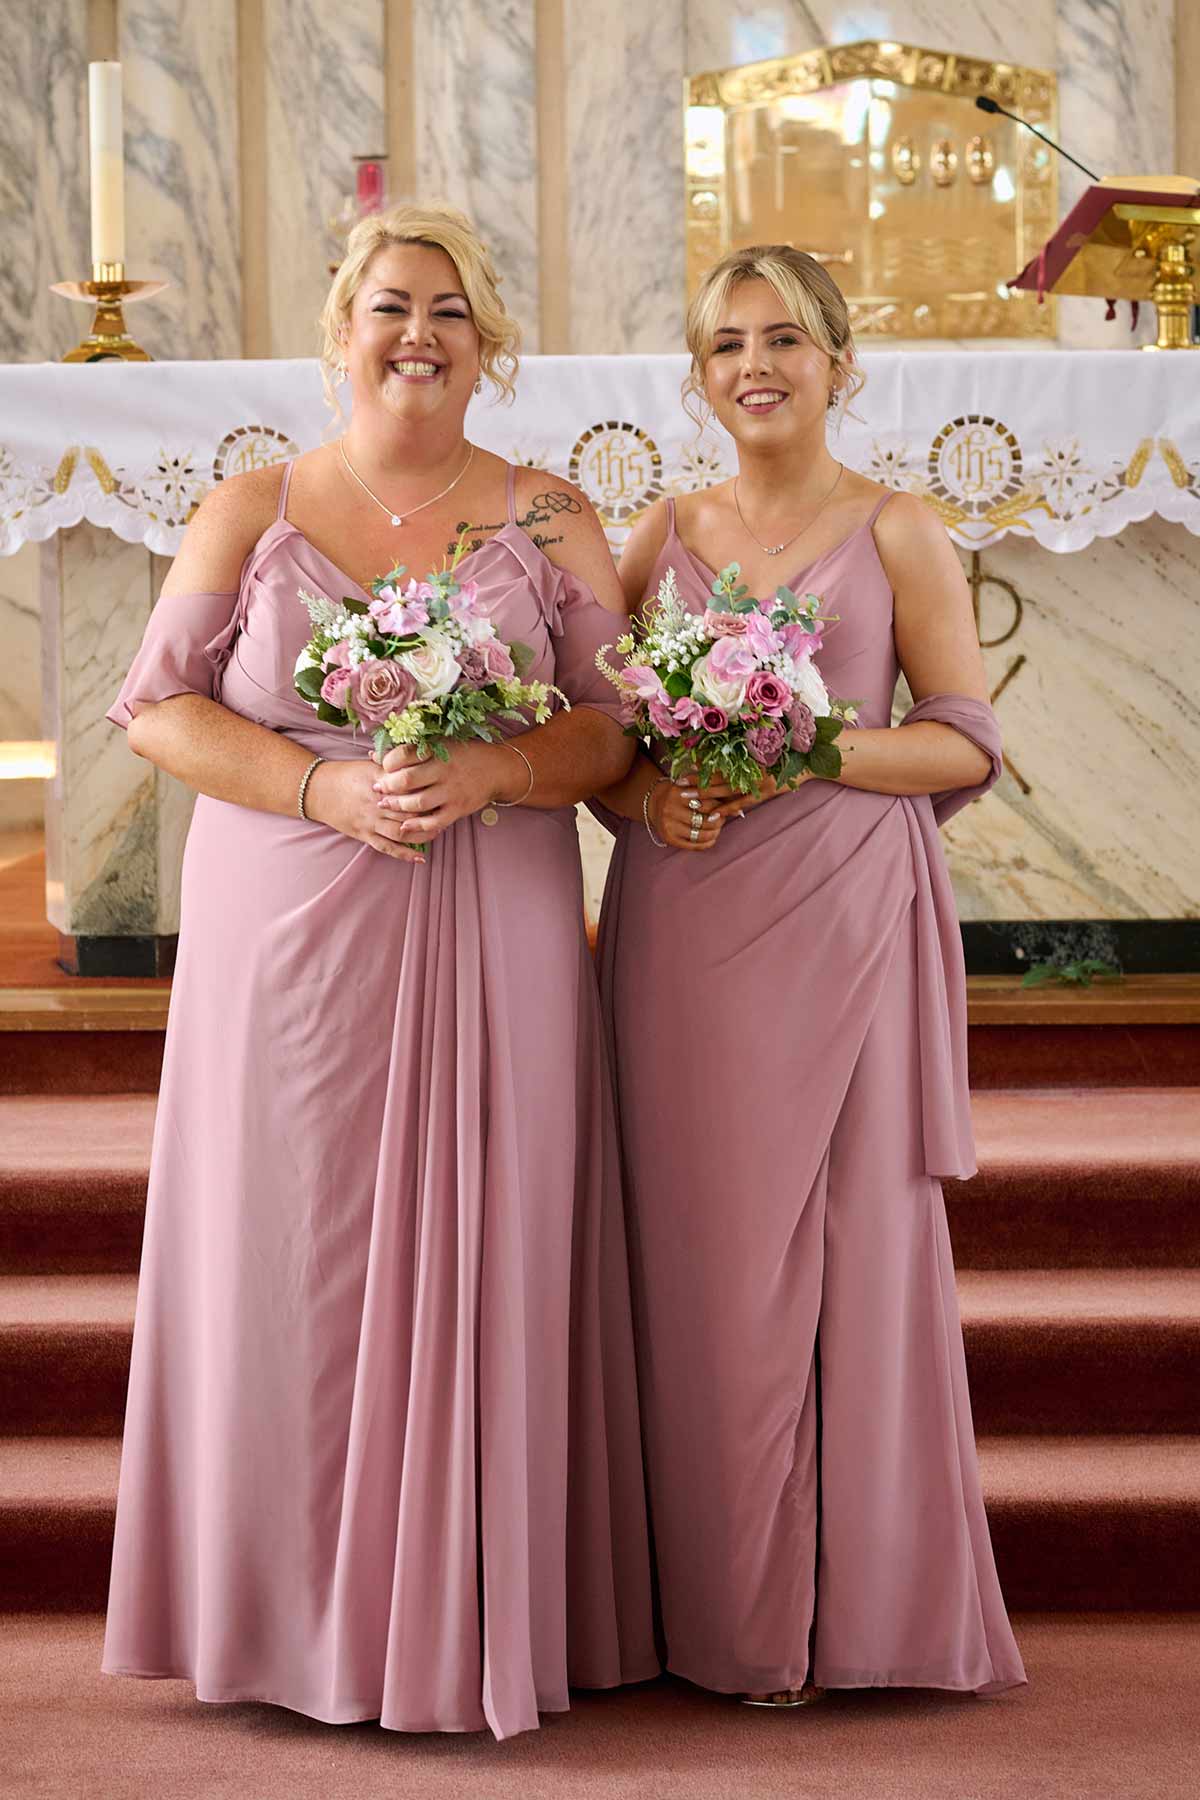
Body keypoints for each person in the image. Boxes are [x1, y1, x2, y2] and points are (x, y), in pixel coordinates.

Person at [101, 203, 656, 1740]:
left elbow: (615, 727)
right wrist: (321, 787)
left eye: (453, 311)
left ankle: (476, 1612)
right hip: (288, 922)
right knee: (296, 1250)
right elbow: (155, 709)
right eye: (392, 305)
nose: (420, 334)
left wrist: (498, 769)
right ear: (341, 327)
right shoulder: (249, 504)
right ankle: (283, 1616)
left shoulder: (549, 517)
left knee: (498, 1224)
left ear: (491, 345)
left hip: (495, 908)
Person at [594, 244, 1026, 1704]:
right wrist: (649, 799)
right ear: (698, 375)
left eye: (784, 339)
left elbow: (963, 737)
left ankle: (856, 1619)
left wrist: (808, 740)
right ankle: (712, 1612)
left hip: (842, 921)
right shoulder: (657, 534)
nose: (755, 366)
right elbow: (611, 752)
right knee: (698, 1258)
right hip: (687, 927)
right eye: (727, 345)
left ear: (840, 361)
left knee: (846, 1255)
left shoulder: (898, 530)